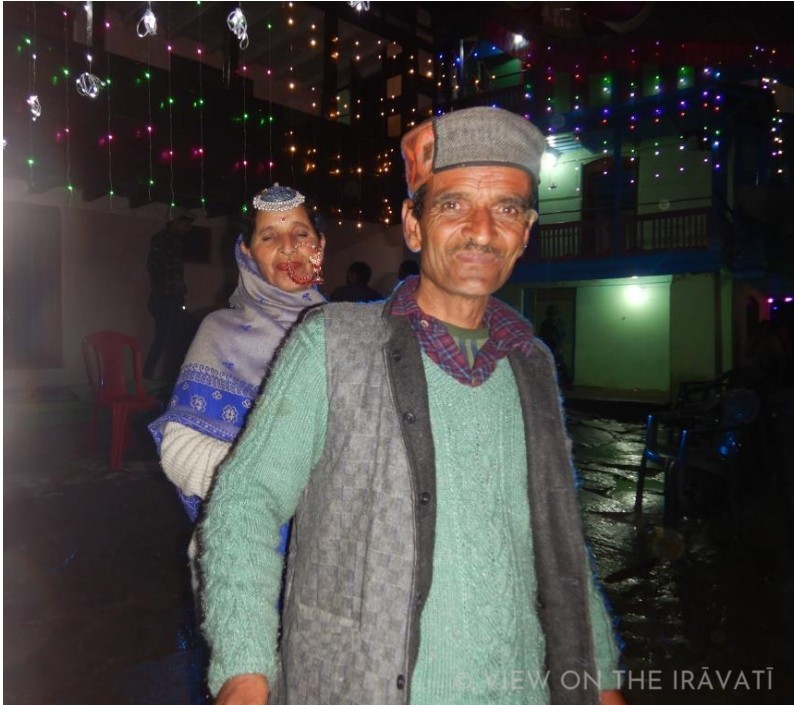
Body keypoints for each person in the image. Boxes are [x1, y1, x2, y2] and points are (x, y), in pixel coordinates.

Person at [199, 107, 627, 705]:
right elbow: (246, 499)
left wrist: (599, 676)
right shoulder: (332, 345)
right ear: (413, 225)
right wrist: (244, 669)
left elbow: (560, 538)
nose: (482, 231)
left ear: (526, 232)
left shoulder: (532, 363)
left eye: (507, 209)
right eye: (453, 205)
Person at [148, 183, 326, 561]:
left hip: (331, 555)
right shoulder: (221, 332)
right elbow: (178, 451)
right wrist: (275, 482)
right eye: (269, 236)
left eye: (301, 234)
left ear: (320, 245)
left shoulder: (346, 334)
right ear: (247, 252)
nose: (288, 247)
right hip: (242, 549)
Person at [143, 207, 195, 381]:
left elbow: (173, 270)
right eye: (186, 224)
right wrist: (165, 286)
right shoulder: (163, 239)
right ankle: (147, 378)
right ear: (176, 222)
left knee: (171, 339)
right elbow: (155, 265)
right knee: (164, 340)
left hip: (172, 297)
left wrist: (179, 288)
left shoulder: (175, 241)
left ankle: (162, 378)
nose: (188, 229)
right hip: (164, 298)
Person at [538, 304, 571, 388]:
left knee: (558, 364)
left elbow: (560, 335)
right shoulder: (551, 323)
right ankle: (564, 383)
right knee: (556, 364)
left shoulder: (556, 323)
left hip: (552, 347)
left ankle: (565, 382)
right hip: (550, 346)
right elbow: (544, 335)